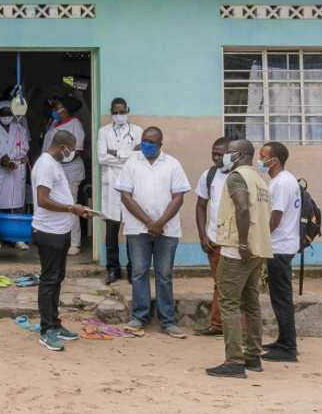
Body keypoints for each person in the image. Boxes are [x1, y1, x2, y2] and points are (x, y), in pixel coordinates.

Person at [206, 139, 273, 378]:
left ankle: (234, 361)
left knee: (229, 303)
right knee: (251, 302)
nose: (225, 156)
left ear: (239, 155)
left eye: (229, 153)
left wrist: (242, 242)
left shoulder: (236, 177)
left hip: (237, 248)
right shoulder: (259, 179)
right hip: (258, 249)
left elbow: (243, 208)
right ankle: (252, 356)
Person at [116, 126, 191, 338]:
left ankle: (167, 321)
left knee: (164, 274)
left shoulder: (173, 164)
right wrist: (149, 222)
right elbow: (125, 196)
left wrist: (160, 223)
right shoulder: (132, 162)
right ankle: (139, 317)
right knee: (139, 272)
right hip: (138, 228)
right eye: (144, 141)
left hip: (167, 230)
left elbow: (179, 197)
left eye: (152, 142)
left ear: (161, 144)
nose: (147, 145)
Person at [31, 130, 89, 352]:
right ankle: (47, 331)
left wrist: (77, 211)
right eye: (71, 148)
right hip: (48, 232)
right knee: (49, 281)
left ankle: (55, 323)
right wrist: (70, 208)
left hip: (60, 230)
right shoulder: (46, 165)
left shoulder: (54, 164)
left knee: (56, 279)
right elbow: (43, 200)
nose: (72, 153)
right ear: (63, 146)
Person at [262, 141, 301, 363]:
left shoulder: (281, 183)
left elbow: (275, 217)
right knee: (279, 297)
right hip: (282, 245)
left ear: (274, 160)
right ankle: (283, 340)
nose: (260, 160)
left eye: (262, 156)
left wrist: (261, 239)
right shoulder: (284, 180)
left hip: (279, 246)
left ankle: (288, 347)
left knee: (282, 298)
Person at [96, 97, 141, 283]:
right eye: (115, 112)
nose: (119, 115)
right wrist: (126, 156)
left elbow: (139, 156)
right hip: (111, 186)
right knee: (111, 230)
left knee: (132, 229)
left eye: (122, 111)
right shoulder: (103, 131)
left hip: (132, 184)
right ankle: (113, 269)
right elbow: (101, 157)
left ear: (128, 110)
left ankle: (133, 269)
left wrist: (116, 153)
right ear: (111, 112)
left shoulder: (137, 131)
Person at [193, 137, 231, 336]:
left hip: (234, 241)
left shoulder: (241, 175)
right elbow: (201, 205)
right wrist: (202, 235)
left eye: (221, 154)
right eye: (213, 153)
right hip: (214, 240)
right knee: (219, 283)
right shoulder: (209, 175)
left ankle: (238, 328)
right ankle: (218, 325)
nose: (216, 157)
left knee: (233, 285)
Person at [42, 97, 86, 255]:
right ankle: (59, 239)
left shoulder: (75, 125)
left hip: (70, 171)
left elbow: (76, 151)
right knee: (55, 205)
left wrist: (56, 158)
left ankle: (75, 243)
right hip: (53, 171)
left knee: (71, 205)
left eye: (59, 107)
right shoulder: (54, 124)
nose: (56, 110)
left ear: (67, 110)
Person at [0, 102, 31, 250]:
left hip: (17, 169)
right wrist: (3, 160)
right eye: (4, 113)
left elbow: (25, 148)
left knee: (17, 205)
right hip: (0, 170)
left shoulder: (19, 128)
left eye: (9, 113)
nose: (7, 116)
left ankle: (17, 238)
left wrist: (21, 158)